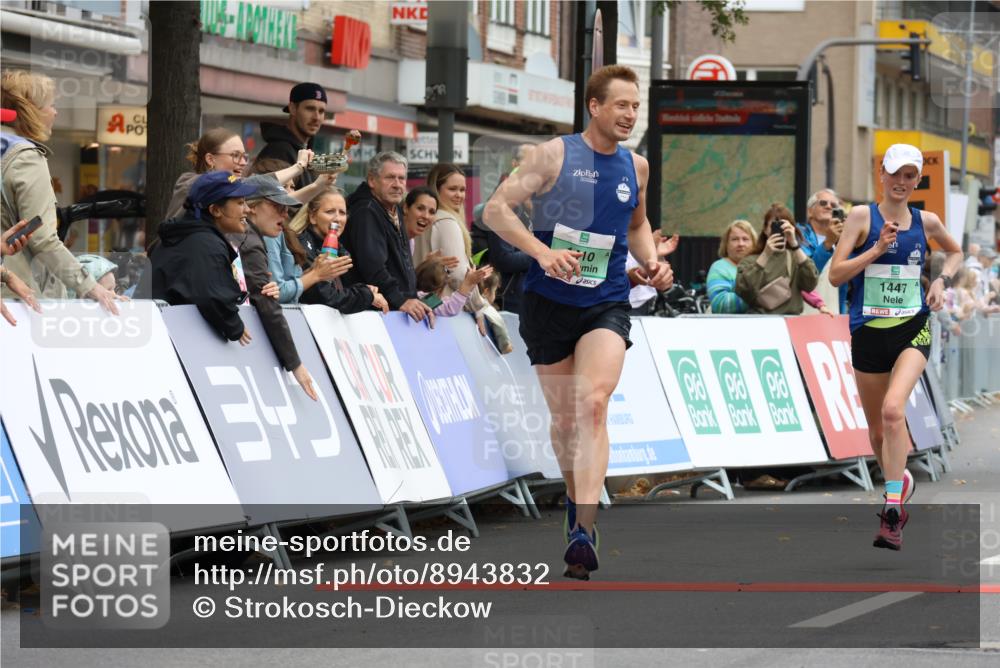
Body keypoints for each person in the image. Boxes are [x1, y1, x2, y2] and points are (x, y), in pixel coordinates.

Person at [483, 65, 673, 580]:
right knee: (566, 419)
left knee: (592, 404)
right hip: (547, 304)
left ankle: (586, 527)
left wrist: (651, 260)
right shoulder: (554, 154)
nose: (631, 114)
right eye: (621, 105)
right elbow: (495, 211)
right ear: (594, 107)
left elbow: (637, 224)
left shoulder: (637, 167)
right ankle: (574, 502)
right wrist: (542, 253)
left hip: (606, 301)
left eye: (636, 106)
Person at [829, 144, 963, 551]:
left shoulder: (927, 221)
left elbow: (955, 252)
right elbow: (835, 275)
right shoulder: (860, 217)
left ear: (917, 180)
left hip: (912, 328)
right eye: (895, 174)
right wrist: (874, 250)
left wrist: (941, 281)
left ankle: (891, 510)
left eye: (910, 176)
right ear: (881, 176)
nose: (902, 182)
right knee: (876, 432)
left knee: (893, 411)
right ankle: (897, 480)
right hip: (868, 332)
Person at [0, 70, 118, 312]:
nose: (56, 112)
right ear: (30, 111)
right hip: (15, 297)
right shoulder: (26, 158)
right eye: (51, 105)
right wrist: (90, 286)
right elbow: (43, 239)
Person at [231, 174, 323, 400]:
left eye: (287, 208)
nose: (285, 214)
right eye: (277, 206)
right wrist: (296, 365)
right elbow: (266, 302)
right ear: (251, 207)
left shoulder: (250, 235)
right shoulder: (248, 239)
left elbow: (264, 292)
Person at [151, 172, 262, 344]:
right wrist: (235, 327)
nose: (247, 209)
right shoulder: (206, 244)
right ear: (215, 210)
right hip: (174, 342)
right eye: (240, 203)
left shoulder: (190, 236)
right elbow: (212, 296)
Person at [415, 163, 511, 346]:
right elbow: (459, 274)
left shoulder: (427, 219)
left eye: (462, 189)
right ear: (437, 188)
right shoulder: (446, 222)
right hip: (446, 313)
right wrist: (480, 305)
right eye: (452, 189)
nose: (459, 195)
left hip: (426, 307)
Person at [341, 152, 432, 323]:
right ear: (372, 180)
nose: (397, 185)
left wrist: (411, 299)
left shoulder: (393, 206)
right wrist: (401, 300)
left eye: (401, 178)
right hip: (371, 315)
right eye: (390, 177)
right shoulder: (366, 211)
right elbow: (373, 267)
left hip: (393, 312)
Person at [165, 128, 330, 220]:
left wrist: (318, 185)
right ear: (210, 159)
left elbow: (279, 199)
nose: (243, 163)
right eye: (235, 155)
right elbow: (257, 184)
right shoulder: (190, 183)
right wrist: (298, 166)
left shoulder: (231, 191)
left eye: (244, 156)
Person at [285, 187, 389, 314]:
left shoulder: (341, 251)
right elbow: (326, 297)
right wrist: (367, 295)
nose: (337, 219)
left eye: (342, 213)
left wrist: (364, 290)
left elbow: (339, 292)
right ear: (312, 216)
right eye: (330, 212)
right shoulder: (301, 246)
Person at [710, 219, 833, 316]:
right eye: (735, 239)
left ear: (754, 242)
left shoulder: (767, 261)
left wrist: (820, 304)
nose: (741, 244)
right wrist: (757, 296)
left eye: (745, 239)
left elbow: (799, 288)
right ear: (726, 244)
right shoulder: (720, 267)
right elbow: (720, 305)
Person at [735, 204, 819, 315]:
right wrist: (766, 254)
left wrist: (794, 244)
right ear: (765, 229)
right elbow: (744, 290)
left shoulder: (796, 258)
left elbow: (810, 284)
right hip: (759, 321)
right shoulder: (750, 260)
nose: (780, 231)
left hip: (789, 322)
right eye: (774, 227)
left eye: (784, 227)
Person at [257, 82, 328, 189]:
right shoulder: (278, 151)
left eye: (321, 111)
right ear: (293, 108)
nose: (316, 117)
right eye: (310, 109)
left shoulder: (308, 153)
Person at [416, 257, 492, 317]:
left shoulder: (418, 295)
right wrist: (467, 284)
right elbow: (450, 308)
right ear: (439, 289)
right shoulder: (424, 300)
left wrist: (471, 285)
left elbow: (459, 302)